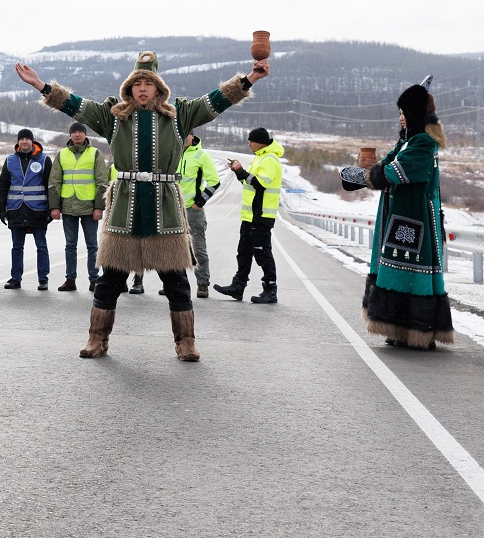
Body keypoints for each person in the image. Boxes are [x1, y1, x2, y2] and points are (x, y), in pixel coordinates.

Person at [17, 50, 268, 361]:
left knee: (177, 282)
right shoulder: (113, 115)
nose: (143, 88)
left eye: (149, 82)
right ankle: (97, 338)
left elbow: (216, 100)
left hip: (167, 211)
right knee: (109, 281)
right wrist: (41, 85)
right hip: (124, 209)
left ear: (159, 88)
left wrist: (250, 78)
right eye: (137, 82)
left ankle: (186, 341)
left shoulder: (180, 115)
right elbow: (75, 106)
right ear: (129, 87)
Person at [340, 76, 454, 349]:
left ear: (414, 114)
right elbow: (388, 163)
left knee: (412, 272)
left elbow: (397, 172)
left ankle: (419, 333)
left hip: (415, 219)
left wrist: (371, 176)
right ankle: (400, 329)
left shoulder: (423, 144)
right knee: (395, 269)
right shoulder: (407, 142)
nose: (401, 119)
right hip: (401, 217)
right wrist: (363, 174)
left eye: (404, 114)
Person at [214, 127, 284, 304]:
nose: (249, 143)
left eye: (251, 140)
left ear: (261, 142)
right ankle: (238, 287)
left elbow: (260, 184)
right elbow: (249, 182)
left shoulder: (269, 159)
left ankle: (270, 290)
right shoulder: (259, 158)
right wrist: (238, 172)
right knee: (243, 252)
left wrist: (242, 171)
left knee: (262, 253)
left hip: (260, 216)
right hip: (250, 216)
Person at [49, 122, 110, 292]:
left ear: (85, 135)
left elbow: (102, 183)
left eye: (80, 132)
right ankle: (70, 279)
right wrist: (54, 207)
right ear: (70, 135)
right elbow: (54, 182)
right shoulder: (62, 155)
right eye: (74, 132)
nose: (77, 135)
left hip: (89, 209)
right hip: (68, 207)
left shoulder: (95, 153)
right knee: (70, 246)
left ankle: (94, 279)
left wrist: (99, 207)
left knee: (92, 246)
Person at [0, 128, 53, 289]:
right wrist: (2, 208)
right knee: (17, 247)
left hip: (38, 210)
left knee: (41, 246)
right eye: (21, 139)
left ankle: (43, 279)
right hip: (16, 209)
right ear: (18, 142)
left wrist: (52, 208)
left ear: (32, 141)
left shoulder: (44, 160)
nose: (24, 142)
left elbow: (50, 186)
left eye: (27, 139)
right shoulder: (10, 160)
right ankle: (15, 278)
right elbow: (3, 185)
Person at [178, 134, 222, 298]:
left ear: (192, 136)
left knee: (198, 250)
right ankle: (175, 284)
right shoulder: (173, 153)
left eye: (185, 134)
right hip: (173, 210)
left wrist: (199, 203)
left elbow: (214, 181)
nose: (182, 138)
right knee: (174, 249)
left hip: (192, 210)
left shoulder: (202, 155)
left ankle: (202, 284)